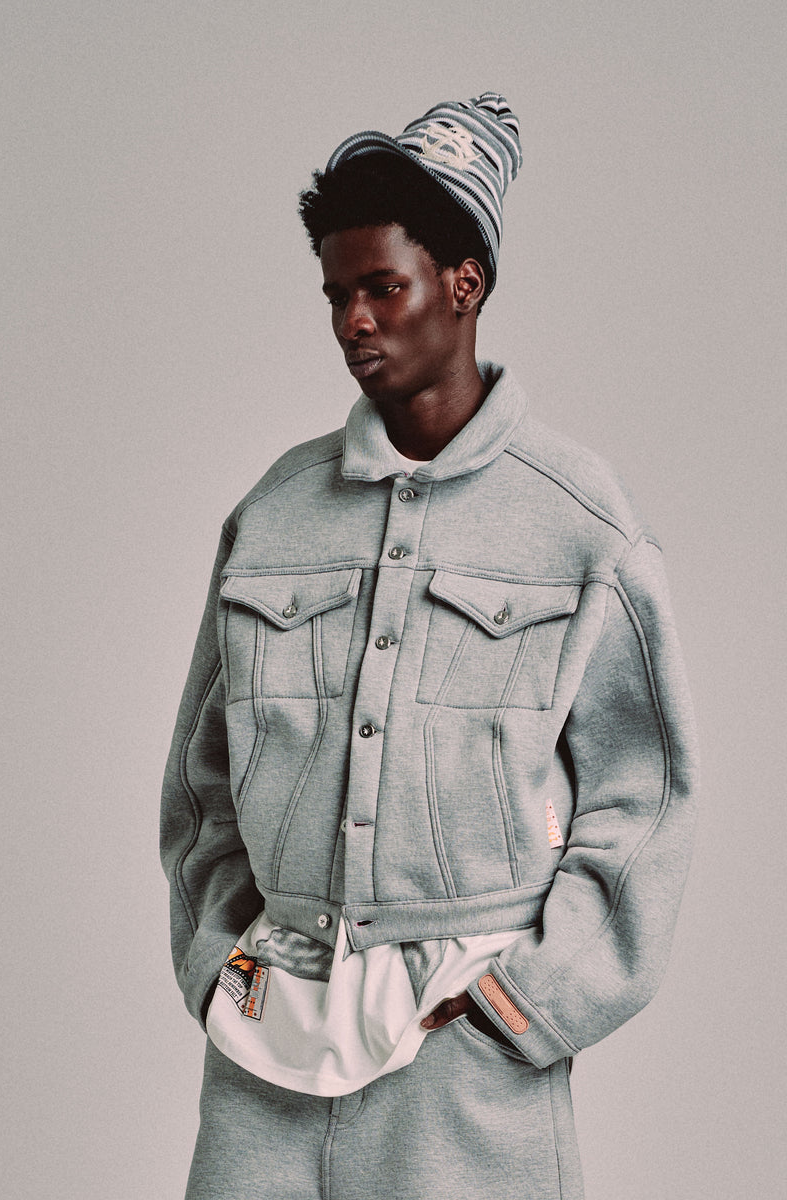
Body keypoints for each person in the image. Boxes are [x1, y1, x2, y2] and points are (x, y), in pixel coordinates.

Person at [161, 92, 698, 1200]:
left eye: (382, 287)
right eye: (336, 295)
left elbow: (643, 801)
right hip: (268, 1049)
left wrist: (524, 1009)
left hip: (464, 1066)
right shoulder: (274, 515)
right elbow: (202, 786)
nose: (353, 321)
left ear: (464, 284)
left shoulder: (580, 525)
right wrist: (220, 970)